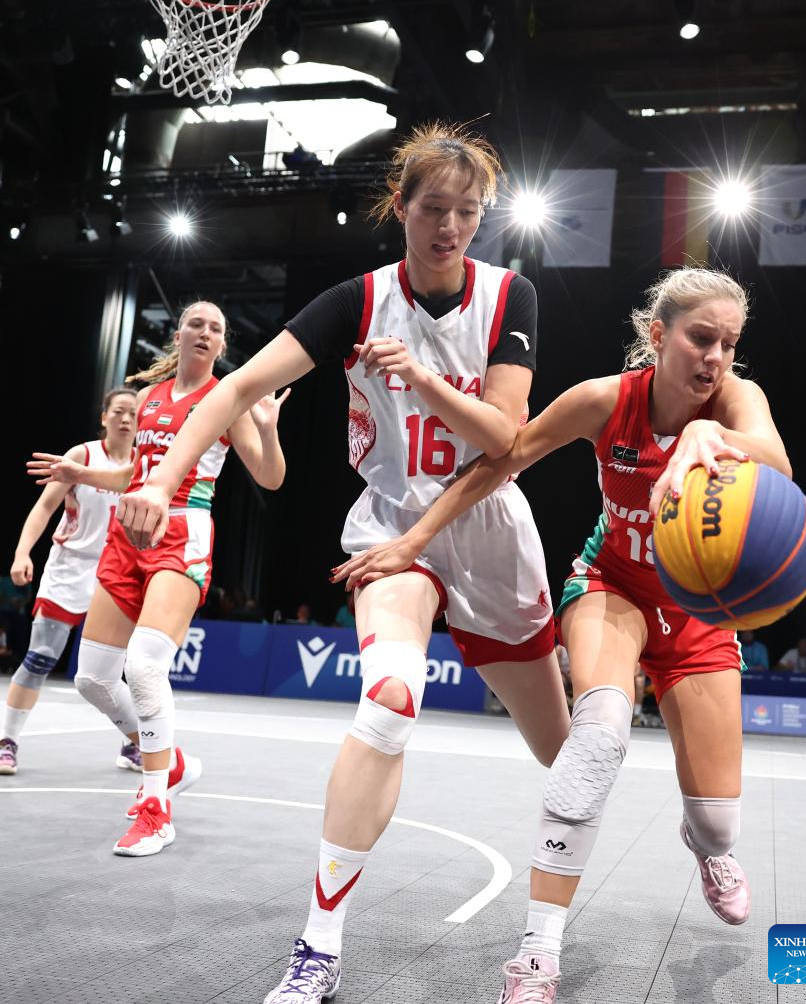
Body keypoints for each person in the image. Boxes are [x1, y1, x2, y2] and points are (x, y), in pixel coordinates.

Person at [114, 122, 570, 1003]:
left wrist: (426, 380)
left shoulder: (510, 295)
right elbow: (238, 387)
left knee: (566, 756)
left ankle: (549, 931)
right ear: (400, 206)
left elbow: (504, 438)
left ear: (483, 217)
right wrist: (165, 478)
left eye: (466, 212)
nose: (448, 227)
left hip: (487, 528)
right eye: (432, 208)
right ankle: (318, 947)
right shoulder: (356, 301)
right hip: (393, 526)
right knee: (390, 701)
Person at [334, 266, 793, 1001]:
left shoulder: (737, 400)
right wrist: (413, 540)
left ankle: (706, 844)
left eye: (727, 344)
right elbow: (502, 460)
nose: (714, 357)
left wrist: (709, 431)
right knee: (596, 741)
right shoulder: (604, 400)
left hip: (699, 613)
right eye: (700, 338)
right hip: (611, 587)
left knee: (718, 824)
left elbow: (779, 465)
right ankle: (536, 954)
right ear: (658, 334)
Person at [27, 301, 289, 856]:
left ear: (222, 345)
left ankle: (155, 810)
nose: (205, 332)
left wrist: (268, 430)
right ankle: (172, 763)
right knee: (92, 679)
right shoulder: (148, 397)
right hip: (126, 533)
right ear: (178, 335)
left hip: (183, 528)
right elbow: (134, 473)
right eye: (196, 323)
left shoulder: (227, 398)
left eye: (216, 328)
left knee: (144, 668)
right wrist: (81, 472)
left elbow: (270, 478)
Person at [0, 388, 137, 777]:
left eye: (133, 413)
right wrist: (22, 553)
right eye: (119, 411)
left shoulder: (145, 464)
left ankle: (133, 743)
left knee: (121, 669)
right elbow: (45, 506)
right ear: (104, 417)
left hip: (117, 573)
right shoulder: (83, 456)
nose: (126, 419)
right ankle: (7, 742)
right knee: (41, 657)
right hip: (70, 568)